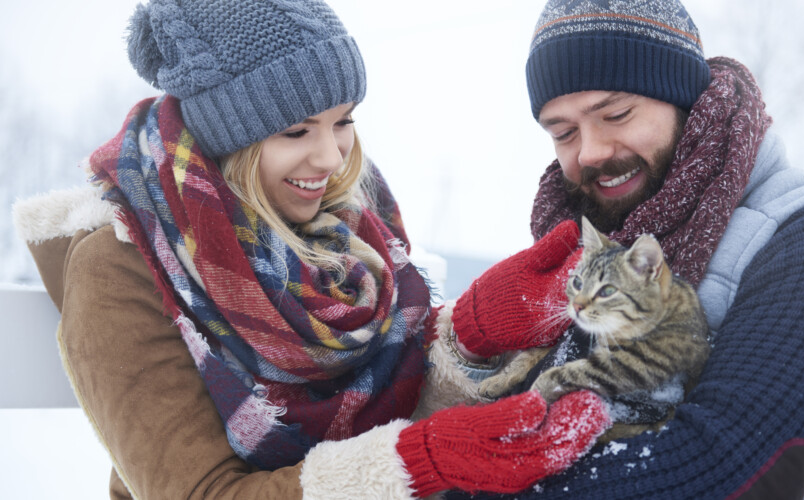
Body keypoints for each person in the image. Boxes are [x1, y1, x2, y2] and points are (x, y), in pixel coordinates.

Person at [12, 0, 613, 498]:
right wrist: (412, 461)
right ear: (229, 135)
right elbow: (202, 493)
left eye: (344, 121)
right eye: (296, 131)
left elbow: (397, 387)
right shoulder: (120, 267)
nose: (331, 158)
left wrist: (469, 333)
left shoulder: (349, 223)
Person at [438, 0, 804, 498]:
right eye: (562, 132)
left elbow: (724, 470)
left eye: (617, 113)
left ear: (685, 100)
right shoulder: (579, 246)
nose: (589, 152)